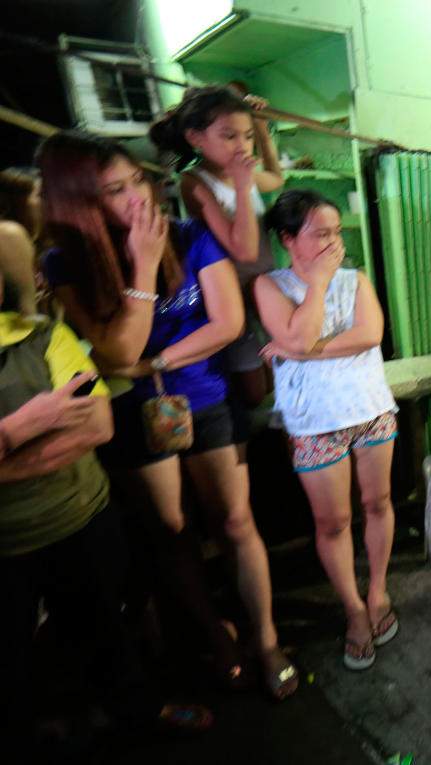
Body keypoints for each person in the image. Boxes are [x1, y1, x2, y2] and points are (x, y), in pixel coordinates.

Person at [37, 131, 297, 700]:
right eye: (115, 190)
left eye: (138, 181)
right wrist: (142, 268)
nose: (137, 197)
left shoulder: (193, 235)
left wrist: (157, 359)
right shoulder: (66, 263)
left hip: (204, 400)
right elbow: (114, 355)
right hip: (132, 415)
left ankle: (265, 638)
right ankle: (215, 635)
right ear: (79, 202)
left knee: (235, 521)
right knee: (172, 532)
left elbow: (227, 323)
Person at [0, 267, 212, 761]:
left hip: (81, 519)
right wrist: (19, 429)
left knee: (107, 627)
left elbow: (95, 427)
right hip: (5, 546)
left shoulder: (41, 334)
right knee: (7, 665)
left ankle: (138, 713)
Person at [255, 190, 399, 671]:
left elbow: (371, 335)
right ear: (288, 239)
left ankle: (377, 590)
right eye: (321, 233)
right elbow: (296, 333)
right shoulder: (269, 287)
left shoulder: (356, 279)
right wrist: (315, 286)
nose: (333, 242)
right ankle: (354, 610)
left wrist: (299, 349)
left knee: (377, 504)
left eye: (337, 232)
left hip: (370, 407)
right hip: (314, 422)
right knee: (333, 523)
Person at [150, 85, 284, 407]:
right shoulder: (194, 182)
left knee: (280, 373)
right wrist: (241, 184)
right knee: (254, 391)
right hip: (231, 296)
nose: (242, 146)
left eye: (247, 136)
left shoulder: (243, 172)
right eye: (229, 136)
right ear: (196, 137)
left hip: (264, 286)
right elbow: (244, 251)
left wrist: (263, 132)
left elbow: (276, 180)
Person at [0, 167, 42, 315]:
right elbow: (27, 312)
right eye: (41, 195)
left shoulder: (42, 241)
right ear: (17, 201)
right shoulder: (8, 234)